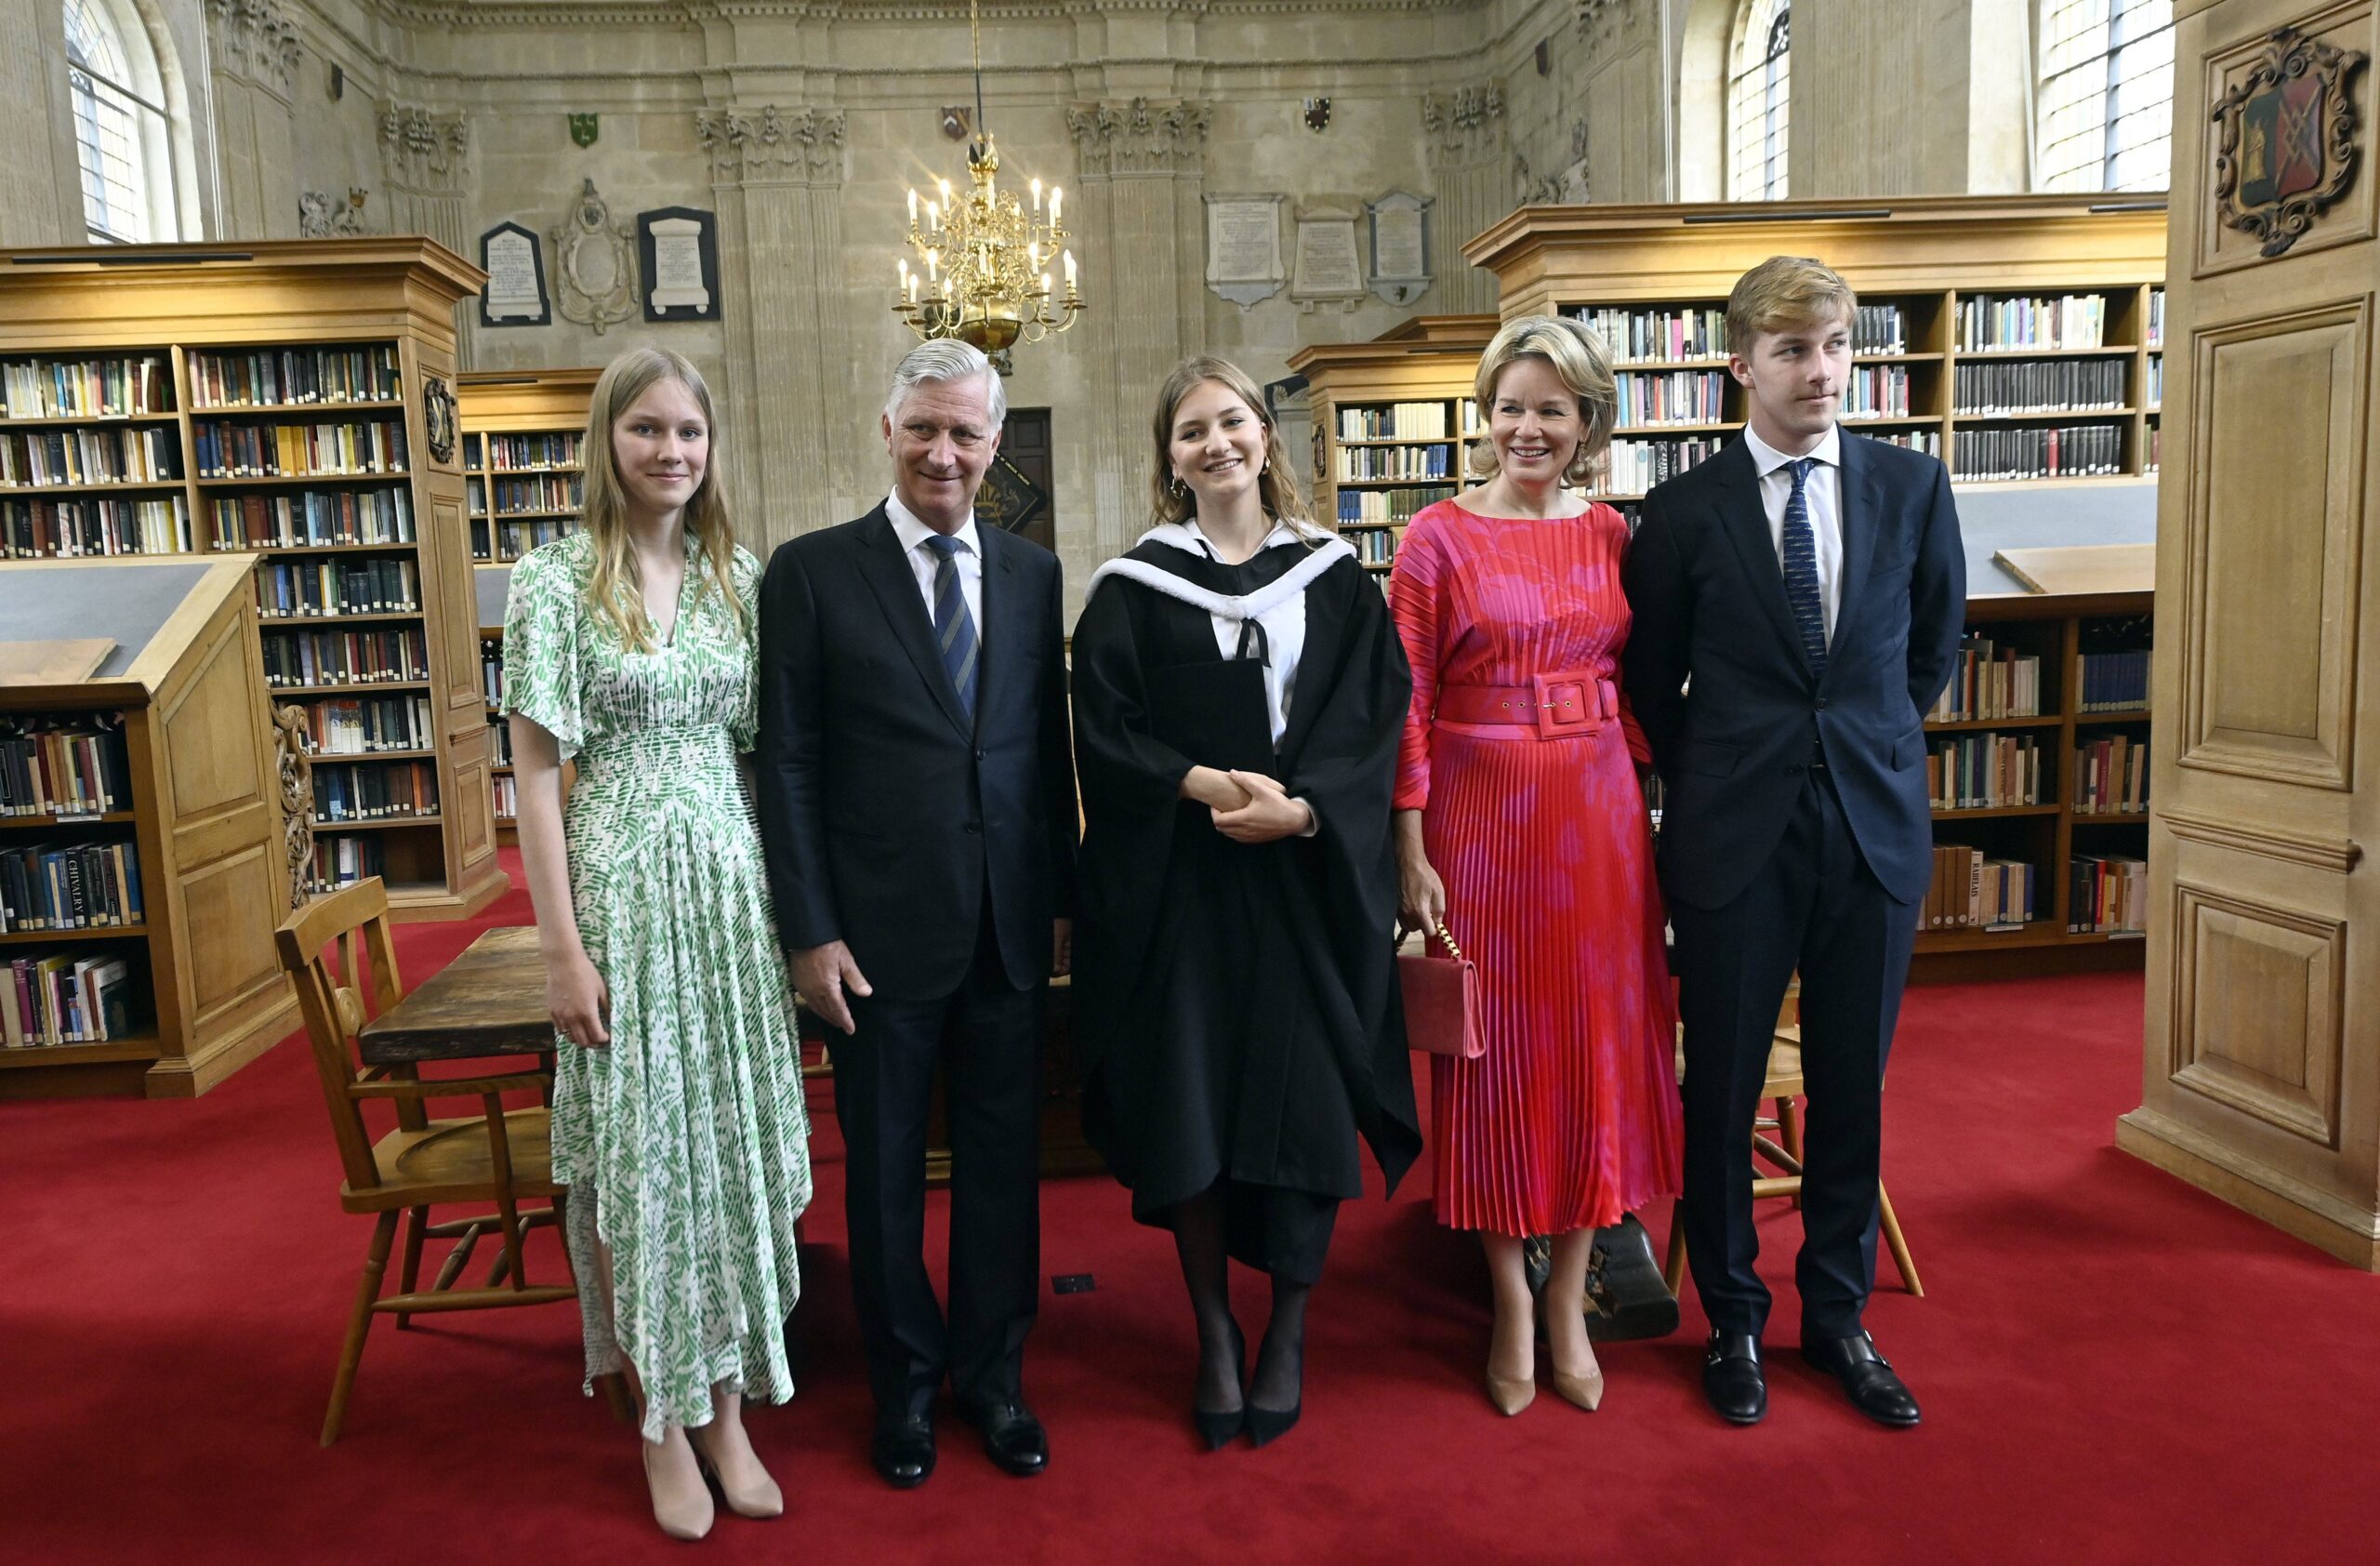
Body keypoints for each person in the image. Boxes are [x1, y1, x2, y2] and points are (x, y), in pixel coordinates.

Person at [1621, 256, 1964, 1429]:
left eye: (1834, 348)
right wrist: (1730, 760)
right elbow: (1650, 685)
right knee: (1718, 1089)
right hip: (1732, 833)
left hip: (1870, 827)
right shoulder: (1677, 512)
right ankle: (1731, 1318)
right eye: (1791, 351)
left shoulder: (1912, 489)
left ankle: (1837, 1318)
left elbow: (1929, 656)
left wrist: (1854, 742)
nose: (1819, 372)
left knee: (1848, 1090)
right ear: (1740, 366)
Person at [1070, 357, 1421, 1451]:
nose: (1213, 444)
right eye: (1189, 432)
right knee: (1194, 1107)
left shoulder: (1333, 578)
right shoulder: (1136, 584)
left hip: (1304, 888)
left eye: (1230, 422)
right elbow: (1104, 725)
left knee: (1307, 1103)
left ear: (1267, 435)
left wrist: (1308, 815)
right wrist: (1207, 785)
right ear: (1167, 460)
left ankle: (1290, 1329)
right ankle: (1215, 1330)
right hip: (1182, 888)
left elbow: (1373, 725)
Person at [753, 339, 1078, 1490]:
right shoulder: (809, 572)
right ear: (885, 430)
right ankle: (900, 1389)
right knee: (885, 1170)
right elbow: (784, 766)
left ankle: (992, 1378)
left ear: (995, 444)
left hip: (1004, 927)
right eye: (924, 428)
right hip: (872, 939)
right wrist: (807, 930)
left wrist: (1061, 907)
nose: (945, 452)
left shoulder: (1034, 575)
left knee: (1003, 1169)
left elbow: (1045, 756)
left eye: (966, 433)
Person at [504, 347, 812, 1541]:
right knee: (644, 1165)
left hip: (730, 907)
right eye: (647, 429)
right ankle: (660, 1423)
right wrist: (559, 951)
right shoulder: (551, 581)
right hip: (620, 902)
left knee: (725, 1161)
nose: (671, 451)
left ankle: (731, 1406)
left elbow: (760, 756)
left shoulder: (740, 574)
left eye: (690, 431)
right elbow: (534, 778)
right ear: (607, 441)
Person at [1387, 315, 1684, 1417]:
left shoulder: (1615, 534)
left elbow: (1648, 674)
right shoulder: (1435, 539)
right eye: (1510, 406)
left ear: (1586, 422)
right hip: (1479, 812)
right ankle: (1509, 1296)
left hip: (1598, 812)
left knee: (1591, 1047)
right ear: (1484, 414)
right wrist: (1409, 844)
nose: (1528, 427)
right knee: (1493, 1050)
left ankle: (1571, 1293)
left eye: (1551, 409)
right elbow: (1404, 704)